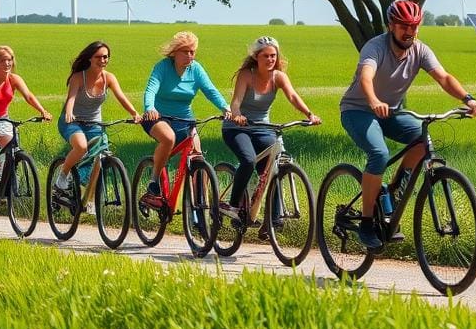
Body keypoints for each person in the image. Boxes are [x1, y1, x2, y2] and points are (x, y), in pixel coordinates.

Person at [340, 0, 476, 251]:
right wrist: (374, 100)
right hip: (358, 110)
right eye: (404, 26)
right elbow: (366, 77)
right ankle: (366, 223)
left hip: (391, 112)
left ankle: (396, 188)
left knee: (422, 138)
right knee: (379, 153)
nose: (410, 32)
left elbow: (444, 77)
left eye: (415, 26)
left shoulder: (420, 50)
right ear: (391, 26)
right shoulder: (375, 47)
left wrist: (468, 99)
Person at [219, 36, 321, 227]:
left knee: (273, 168)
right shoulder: (246, 75)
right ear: (257, 57)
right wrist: (237, 114)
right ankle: (232, 206)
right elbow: (236, 101)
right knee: (248, 160)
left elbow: (292, 96)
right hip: (237, 127)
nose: (270, 59)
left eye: (273, 55)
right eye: (265, 56)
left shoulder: (278, 77)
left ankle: (272, 222)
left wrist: (309, 114)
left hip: (262, 128)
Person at [140, 31, 231, 207]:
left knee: (198, 158)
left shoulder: (196, 69)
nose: (190, 56)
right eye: (185, 51)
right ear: (175, 52)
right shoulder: (163, 67)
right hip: (158, 117)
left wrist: (225, 107)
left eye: (193, 52)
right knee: (168, 138)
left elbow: (210, 90)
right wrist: (149, 108)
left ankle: (200, 205)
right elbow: (151, 89)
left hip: (185, 120)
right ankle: (154, 182)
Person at [53, 41, 141, 202]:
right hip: (72, 122)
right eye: (99, 57)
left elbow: (121, 97)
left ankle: (89, 198)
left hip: (94, 124)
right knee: (81, 147)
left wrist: (135, 113)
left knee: (99, 159)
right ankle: (63, 176)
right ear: (90, 59)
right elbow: (71, 97)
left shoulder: (109, 78)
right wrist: (69, 112)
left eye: (106, 57)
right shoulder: (78, 77)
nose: (103, 60)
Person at [0, 45, 52, 199]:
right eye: (3, 60)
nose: (7, 63)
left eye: (10, 60)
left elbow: (29, 96)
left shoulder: (14, 79)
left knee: (11, 147)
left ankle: (3, 182)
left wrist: (42, 111)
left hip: (2, 119)